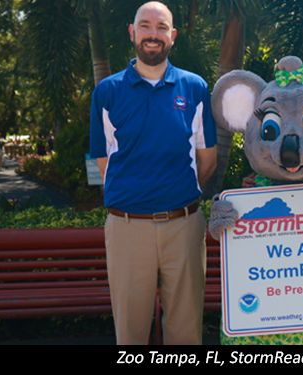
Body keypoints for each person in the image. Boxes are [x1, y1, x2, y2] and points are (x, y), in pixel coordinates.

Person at [89, 1, 217, 345]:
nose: (153, 34)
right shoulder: (107, 92)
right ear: (132, 33)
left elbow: (207, 160)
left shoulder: (195, 88)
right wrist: (136, 197)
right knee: (130, 335)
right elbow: (105, 163)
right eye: (145, 26)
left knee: (186, 333)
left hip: (184, 226)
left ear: (172, 36)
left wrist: (177, 195)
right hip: (128, 229)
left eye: (161, 27)